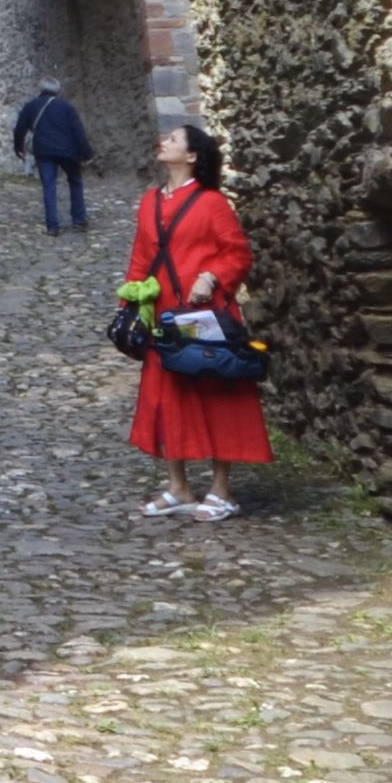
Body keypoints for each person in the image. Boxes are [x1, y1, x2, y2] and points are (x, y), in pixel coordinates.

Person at [124, 124, 267, 518]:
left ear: (191, 156)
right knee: (168, 396)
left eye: (173, 139)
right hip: (164, 314)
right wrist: (132, 301)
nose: (163, 142)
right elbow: (141, 257)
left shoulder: (212, 204)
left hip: (205, 314)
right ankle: (179, 487)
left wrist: (212, 276)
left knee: (217, 392)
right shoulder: (150, 201)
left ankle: (221, 489)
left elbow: (237, 254)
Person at [9, 78, 93, 232]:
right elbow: (78, 131)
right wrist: (87, 154)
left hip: (44, 151)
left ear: (41, 90)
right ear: (57, 90)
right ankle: (79, 219)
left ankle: (52, 226)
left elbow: (19, 129)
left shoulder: (31, 106)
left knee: (49, 186)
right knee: (75, 182)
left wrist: (18, 148)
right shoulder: (67, 107)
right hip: (68, 151)